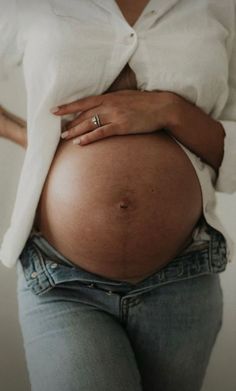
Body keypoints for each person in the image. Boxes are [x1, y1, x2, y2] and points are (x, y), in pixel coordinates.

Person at [0, 1, 235, 390]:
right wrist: (37, 141)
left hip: (183, 278)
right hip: (64, 281)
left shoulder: (216, 5)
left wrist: (170, 111)